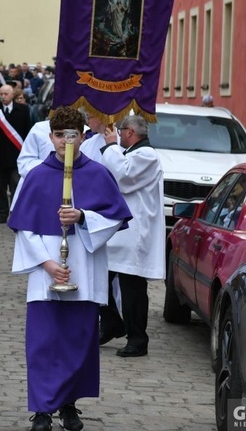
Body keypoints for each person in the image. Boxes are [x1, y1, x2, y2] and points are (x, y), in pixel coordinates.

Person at [7, 107, 132, 431]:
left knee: (77, 343)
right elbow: (24, 227)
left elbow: (116, 217)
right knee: (43, 343)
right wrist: (48, 264)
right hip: (44, 271)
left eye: (72, 135)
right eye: (60, 135)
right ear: (50, 138)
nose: (65, 141)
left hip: (84, 269)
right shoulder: (36, 175)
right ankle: (42, 411)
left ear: (83, 136)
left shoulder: (98, 173)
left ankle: (69, 405)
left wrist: (83, 217)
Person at [98, 114, 165, 357]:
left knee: (132, 289)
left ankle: (138, 340)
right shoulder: (132, 153)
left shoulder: (147, 155)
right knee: (99, 277)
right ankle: (112, 322)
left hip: (136, 233)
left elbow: (124, 177)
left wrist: (111, 146)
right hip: (120, 231)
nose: (117, 133)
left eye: (120, 130)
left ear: (129, 132)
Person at [0, 85, 32, 224]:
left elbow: (28, 131)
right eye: (1, 94)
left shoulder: (22, 109)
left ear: (12, 94)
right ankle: (2, 213)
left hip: (17, 155)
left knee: (16, 185)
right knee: (0, 187)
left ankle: (15, 211)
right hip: (0, 156)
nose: (3, 96)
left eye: (6, 94)